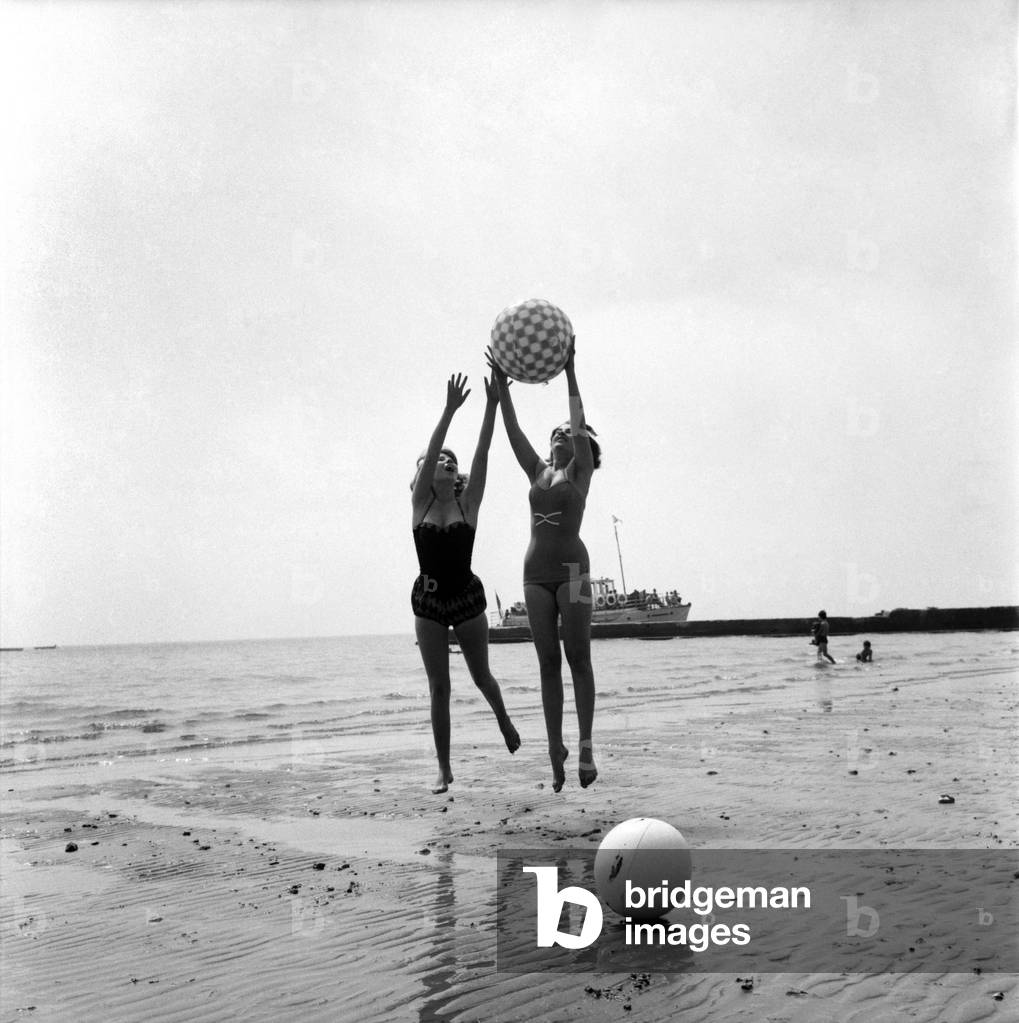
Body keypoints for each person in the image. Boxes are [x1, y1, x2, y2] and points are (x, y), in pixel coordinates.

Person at [487, 337, 600, 792]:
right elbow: (512, 432)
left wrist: (570, 371)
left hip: (573, 572)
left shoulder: (580, 472)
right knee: (547, 662)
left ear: (579, 445)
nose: (560, 435)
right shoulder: (536, 471)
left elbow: (576, 420)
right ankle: (555, 748)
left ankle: (586, 745)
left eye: (568, 434)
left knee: (579, 658)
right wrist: (503, 389)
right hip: (535, 575)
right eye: (555, 433)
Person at [411, 372, 520, 794]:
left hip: (467, 598)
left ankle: (503, 718)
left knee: (481, 677)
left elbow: (483, 451)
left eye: (450, 460)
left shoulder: (466, 502)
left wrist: (491, 406)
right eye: (437, 458)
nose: (446, 459)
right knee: (440, 686)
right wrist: (449, 410)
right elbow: (436, 449)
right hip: (429, 601)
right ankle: (443, 767)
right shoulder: (420, 502)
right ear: (421, 472)